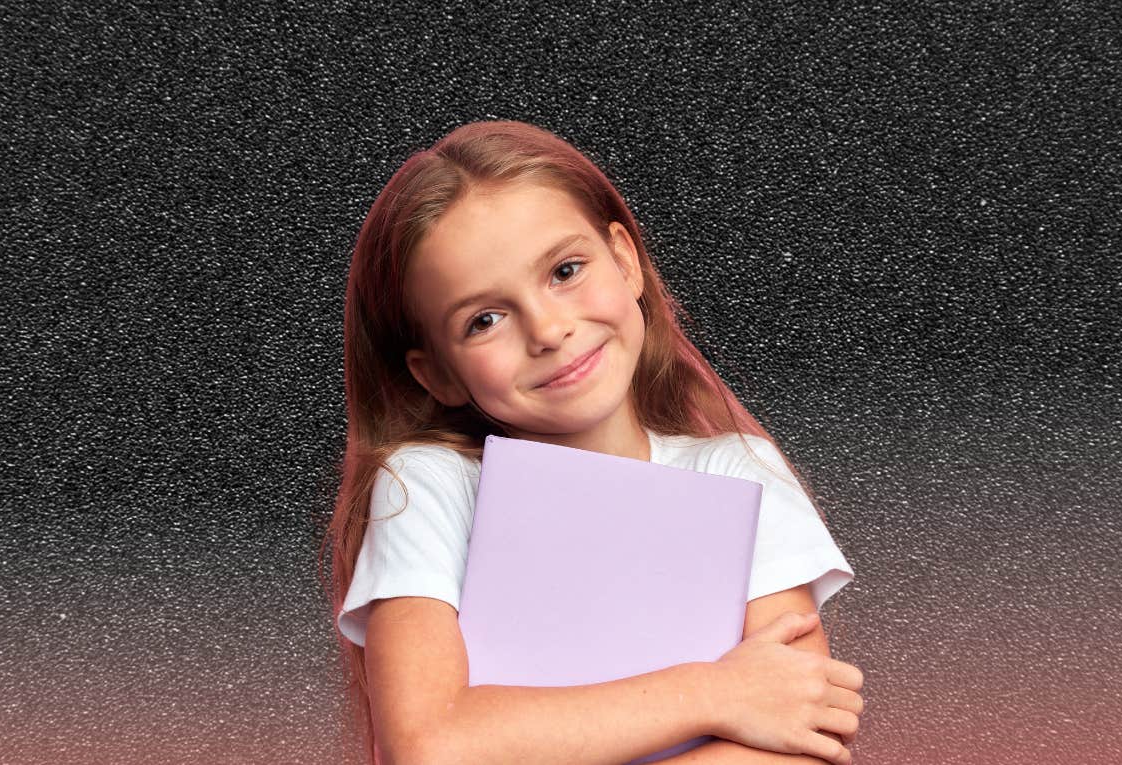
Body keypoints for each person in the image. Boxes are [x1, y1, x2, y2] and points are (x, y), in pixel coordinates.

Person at [321, 120, 863, 765]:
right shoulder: (426, 485)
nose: (548, 329)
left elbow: (800, 738)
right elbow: (430, 748)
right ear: (436, 372)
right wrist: (711, 693)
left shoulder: (738, 474)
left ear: (626, 260)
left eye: (565, 270)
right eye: (484, 320)